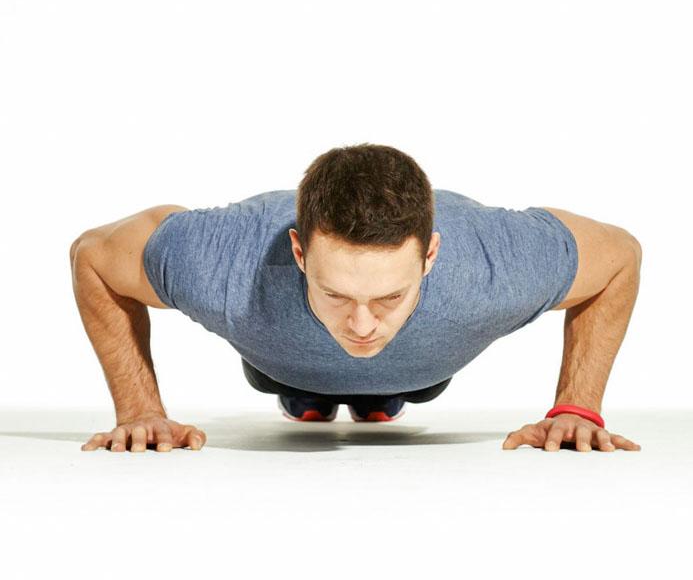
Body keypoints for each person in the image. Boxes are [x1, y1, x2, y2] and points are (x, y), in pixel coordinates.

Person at [71, 143, 643, 454]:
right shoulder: (225, 260)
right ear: (298, 253)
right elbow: (93, 256)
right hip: (278, 360)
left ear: (431, 256)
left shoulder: (494, 265)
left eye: (390, 295)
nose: (363, 325)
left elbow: (619, 256)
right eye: (337, 293)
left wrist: (577, 409)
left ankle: (382, 393)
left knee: (409, 386)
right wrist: (140, 412)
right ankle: (311, 390)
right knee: (285, 378)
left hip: (424, 368)